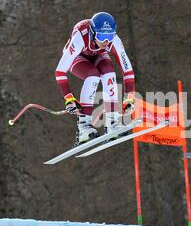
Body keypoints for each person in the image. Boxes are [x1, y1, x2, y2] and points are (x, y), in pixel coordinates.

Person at [54, 12, 136, 145]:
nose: (106, 41)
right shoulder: (81, 37)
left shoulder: (114, 41)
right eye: (102, 36)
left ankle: (112, 122)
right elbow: (60, 72)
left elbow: (128, 71)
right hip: (78, 57)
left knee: (109, 73)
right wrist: (69, 99)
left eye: (109, 36)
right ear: (92, 33)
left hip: (98, 55)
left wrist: (130, 98)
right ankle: (83, 126)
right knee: (93, 76)